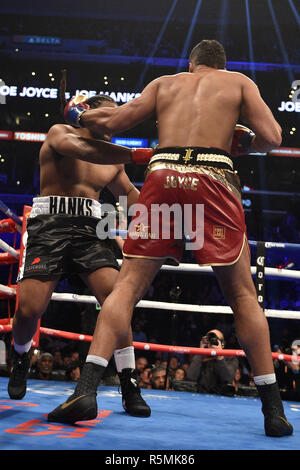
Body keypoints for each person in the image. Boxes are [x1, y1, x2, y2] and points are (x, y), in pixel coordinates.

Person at [48, 39, 293, 436]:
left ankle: (85, 390)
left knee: (126, 288)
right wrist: (244, 142)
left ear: (191, 65)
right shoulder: (238, 83)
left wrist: (78, 112)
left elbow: (110, 124)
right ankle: (274, 411)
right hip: (214, 177)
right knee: (244, 296)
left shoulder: (165, 83)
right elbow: (274, 137)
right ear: (221, 65)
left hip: (162, 173)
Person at [7, 94, 151, 418]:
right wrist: (135, 153)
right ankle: (20, 354)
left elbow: (128, 194)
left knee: (118, 299)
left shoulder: (113, 160)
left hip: (91, 229)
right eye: (111, 116)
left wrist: (151, 218)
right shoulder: (59, 133)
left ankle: (129, 381)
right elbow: (81, 148)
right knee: (29, 310)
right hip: (49, 226)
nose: (117, 123)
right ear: (90, 114)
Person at [186, 329, 233, 394]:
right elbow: (191, 377)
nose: (212, 341)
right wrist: (200, 350)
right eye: (210, 339)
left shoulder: (231, 358)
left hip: (220, 399)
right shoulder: (201, 356)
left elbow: (227, 380)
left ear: (223, 344)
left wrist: (219, 356)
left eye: (215, 339)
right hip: (200, 397)